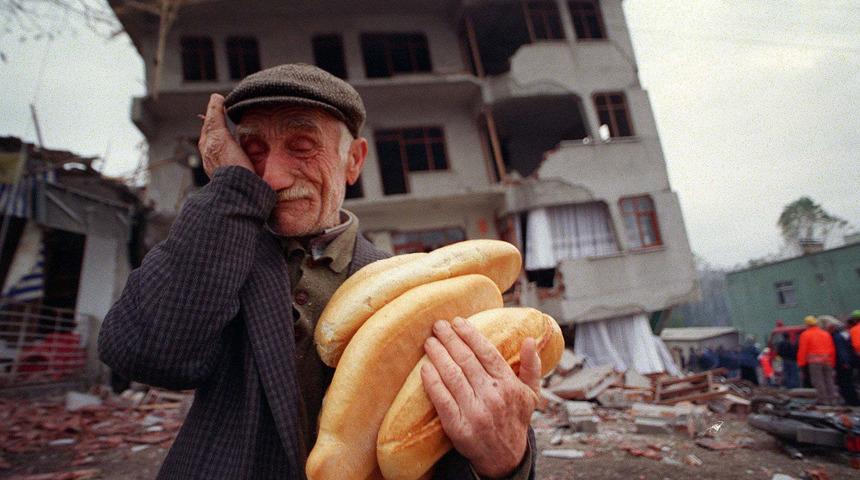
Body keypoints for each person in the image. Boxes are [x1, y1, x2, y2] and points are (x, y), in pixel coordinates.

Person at [98, 64, 538, 479]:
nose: (271, 177)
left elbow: (438, 438)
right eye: (253, 152)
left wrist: (506, 461)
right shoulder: (217, 259)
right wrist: (231, 189)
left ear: (354, 161)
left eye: (302, 147)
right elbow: (144, 352)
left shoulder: (418, 286)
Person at [797, 315, 839, 405]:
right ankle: (833, 399)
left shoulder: (805, 334)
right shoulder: (825, 333)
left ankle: (823, 400)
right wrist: (832, 361)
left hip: (815, 362)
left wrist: (801, 363)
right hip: (827, 361)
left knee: (818, 381)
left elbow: (803, 350)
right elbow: (832, 348)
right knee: (829, 380)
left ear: (807, 324)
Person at [823, 317, 860, 406]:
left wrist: (845, 362)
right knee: (845, 382)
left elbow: (841, 350)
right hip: (843, 362)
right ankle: (851, 400)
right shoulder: (840, 336)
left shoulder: (836, 337)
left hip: (842, 363)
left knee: (845, 383)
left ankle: (852, 401)